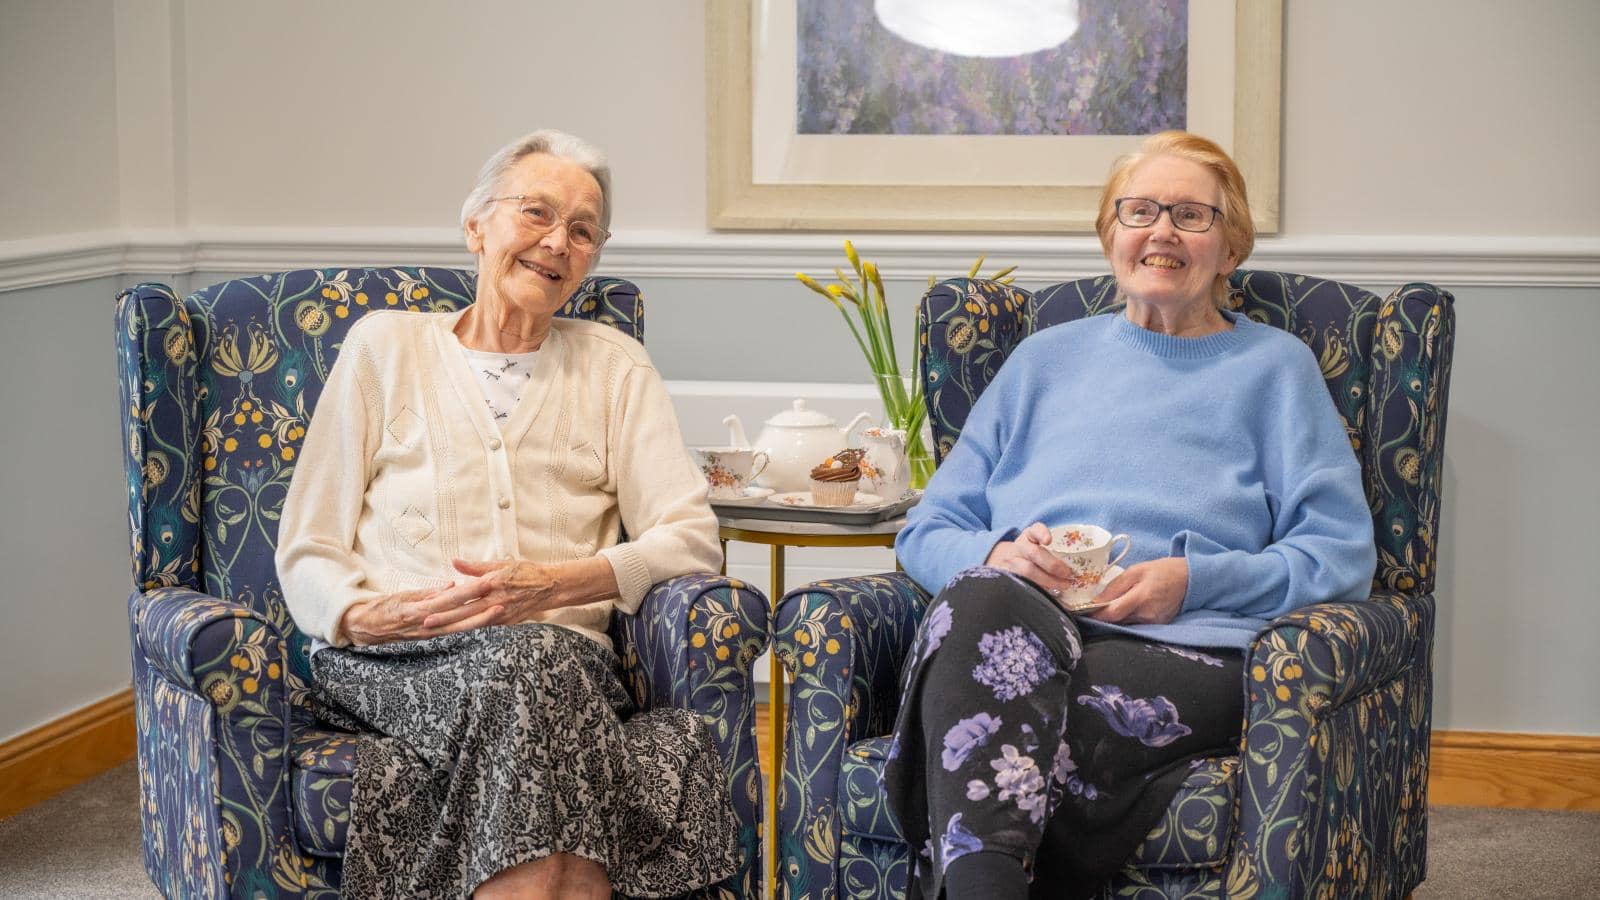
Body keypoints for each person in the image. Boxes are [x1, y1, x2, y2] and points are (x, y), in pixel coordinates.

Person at [883, 131, 1376, 899]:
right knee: (985, 604)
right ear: (1111, 232)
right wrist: (1001, 555)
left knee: (1021, 713)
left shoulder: (1276, 370)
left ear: (1231, 246)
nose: (1163, 232)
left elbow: (1340, 553)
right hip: (1017, 625)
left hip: (1189, 649)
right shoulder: (1042, 361)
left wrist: (1196, 580)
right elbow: (927, 529)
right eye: (1140, 210)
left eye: (1191, 215)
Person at [275, 130, 736, 899]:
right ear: (477, 226)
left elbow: (692, 540)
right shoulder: (384, 349)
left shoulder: (615, 367)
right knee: (542, 686)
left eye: (583, 230)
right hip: (399, 660)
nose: (558, 241)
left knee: (534, 667)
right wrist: (363, 615)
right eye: (536, 213)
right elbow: (307, 546)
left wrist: (554, 586)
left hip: (559, 662)